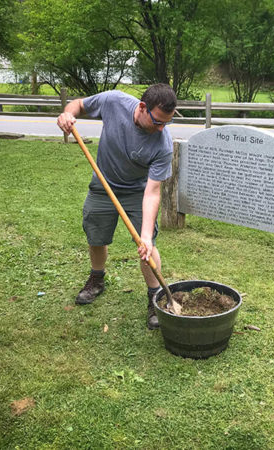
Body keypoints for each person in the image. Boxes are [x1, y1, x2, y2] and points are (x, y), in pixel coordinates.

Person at [56, 83, 177, 330]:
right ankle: (97, 279)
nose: (161, 128)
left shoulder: (163, 143)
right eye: (157, 122)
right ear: (142, 108)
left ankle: (155, 297)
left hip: (137, 191)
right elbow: (78, 105)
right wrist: (67, 114)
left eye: (167, 123)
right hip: (103, 183)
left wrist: (145, 236)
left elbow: (153, 192)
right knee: (96, 236)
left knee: (147, 246)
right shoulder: (113, 102)